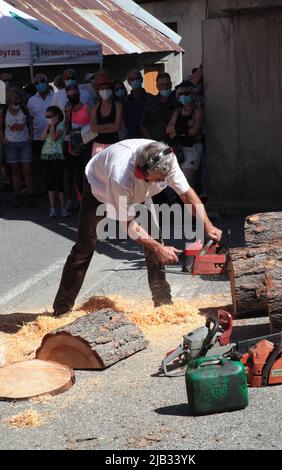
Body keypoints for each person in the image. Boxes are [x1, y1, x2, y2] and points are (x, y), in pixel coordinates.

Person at [52, 139, 222, 316]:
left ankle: (163, 302)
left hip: (136, 193)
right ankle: (62, 308)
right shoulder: (120, 177)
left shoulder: (166, 160)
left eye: (165, 178)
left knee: (154, 241)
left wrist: (208, 226)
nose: (165, 182)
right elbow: (128, 225)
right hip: (99, 189)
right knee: (84, 247)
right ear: (141, 174)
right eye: (159, 180)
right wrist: (159, 248)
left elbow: (187, 195)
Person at [166, 83, 204, 190]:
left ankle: (192, 205)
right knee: (176, 183)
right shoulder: (178, 112)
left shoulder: (198, 111)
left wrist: (176, 130)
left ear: (192, 94)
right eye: (180, 94)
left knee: (188, 183)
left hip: (192, 148)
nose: (183, 96)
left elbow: (194, 131)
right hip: (178, 149)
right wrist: (187, 124)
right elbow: (168, 130)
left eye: (186, 93)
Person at [0, 89, 34, 207]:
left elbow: (30, 122)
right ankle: (17, 195)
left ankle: (30, 194)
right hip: (10, 143)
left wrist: (31, 136)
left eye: (17, 98)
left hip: (24, 142)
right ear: (9, 99)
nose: (16, 100)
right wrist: (2, 139)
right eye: (13, 97)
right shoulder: (3, 110)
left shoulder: (24, 109)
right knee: (15, 171)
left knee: (27, 170)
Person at [28, 73, 54, 197]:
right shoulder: (31, 100)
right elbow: (30, 120)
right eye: (37, 83)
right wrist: (31, 137)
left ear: (47, 81)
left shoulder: (54, 97)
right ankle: (38, 189)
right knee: (38, 165)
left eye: (42, 81)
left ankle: (50, 188)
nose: (40, 84)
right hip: (37, 138)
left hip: (53, 137)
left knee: (50, 165)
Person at [65, 84, 92, 200]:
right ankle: (80, 200)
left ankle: (90, 198)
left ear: (79, 94)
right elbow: (67, 129)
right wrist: (67, 115)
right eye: (69, 96)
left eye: (74, 94)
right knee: (76, 175)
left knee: (87, 173)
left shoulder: (87, 108)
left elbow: (94, 125)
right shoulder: (68, 109)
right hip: (74, 147)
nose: (72, 97)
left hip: (87, 145)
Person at [40, 106, 67, 218]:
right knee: (49, 182)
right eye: (46, 116)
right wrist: (48, 126)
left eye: (50, 116)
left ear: (56, 116)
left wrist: (53, 125)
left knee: (59, 181)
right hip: (47, 156)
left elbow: (54, 137)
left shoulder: (61, 125)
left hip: (57, 156)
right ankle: (52, 208)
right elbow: (42, 138)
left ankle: (63, 208)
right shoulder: (49, 125)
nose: (48, 118)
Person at [140, 73, 178, 143]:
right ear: (157, 86)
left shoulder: (177, 100)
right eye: (162, 85)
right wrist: (151, 141)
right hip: (156, 143)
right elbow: (143, 124)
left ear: (171, 84)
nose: (165, 87)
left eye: (167, 84)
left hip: (175, 143)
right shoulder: (151, 102)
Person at [90, 75, 122, 156]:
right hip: (98, 145)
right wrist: (110, 125)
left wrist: (99, 128)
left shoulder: (118, 106)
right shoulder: (95, 107)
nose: (105, 91)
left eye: (107, 88)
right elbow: (93, 127)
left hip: (114, 145)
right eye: (102, 89)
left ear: (111, 90)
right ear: (98, 91)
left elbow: (116, 127)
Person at [124, 69, 149, 138]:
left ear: (141, 80)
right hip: (131, 138)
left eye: (137, 78)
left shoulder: (150, 98)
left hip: (147, 137)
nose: (135, 81)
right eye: (132, 79)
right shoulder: (126, 100)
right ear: (128, 82)